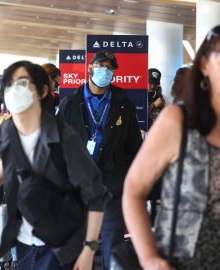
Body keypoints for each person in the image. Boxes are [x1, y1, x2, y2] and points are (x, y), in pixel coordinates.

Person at [122, 24, 220, 270]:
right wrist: (149, 258)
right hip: (181, 261)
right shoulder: (178, 120)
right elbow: (134, 190)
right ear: (204, 66)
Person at [0, 61, 108, 270]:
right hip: (24, 241)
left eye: (24, 83)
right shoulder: (7, 130)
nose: (16, 89)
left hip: (60, 244)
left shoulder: (63, 137)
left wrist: (89, 249)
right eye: (10, 84)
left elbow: (95, 194)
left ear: (43, 91)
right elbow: (9, 162)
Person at [57, 51, 142, 270]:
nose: (106, 70)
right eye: (101, 65)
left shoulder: (124, 103)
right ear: (90, 68)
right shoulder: (70, 103)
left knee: (112, 240)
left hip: (112, 184)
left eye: (110, 67)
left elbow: (134, 146)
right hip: (79, 185)